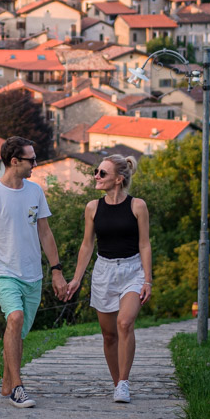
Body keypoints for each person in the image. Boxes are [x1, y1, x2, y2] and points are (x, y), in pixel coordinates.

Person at [0, 135, 68, 408]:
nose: (35, 164)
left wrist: (56, 271)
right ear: (14, 161)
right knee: (14, 319)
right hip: (4, 272)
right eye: (31, 159)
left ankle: (6, 380)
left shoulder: (35, 191)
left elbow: (45, 232)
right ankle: (17, 387)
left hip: (33, 275)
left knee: (18, 332)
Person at [65, 154, 152, 404]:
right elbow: (86, 245)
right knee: (108, 335)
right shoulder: (92, 207)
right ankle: (117, 383)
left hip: (132, 270)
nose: (96, 176)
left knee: (125, 323)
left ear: (118, 179)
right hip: (104, 272)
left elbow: (144, 245)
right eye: (96, 171)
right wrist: (76, 279)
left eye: (102, 173)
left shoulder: (138, 206)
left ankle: (124, 382)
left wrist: (147, 280)